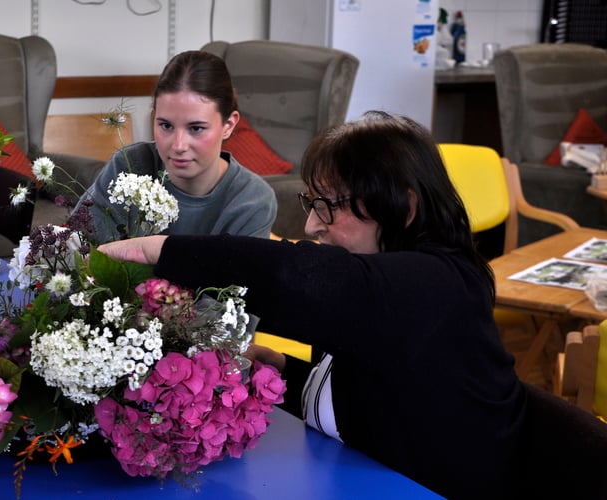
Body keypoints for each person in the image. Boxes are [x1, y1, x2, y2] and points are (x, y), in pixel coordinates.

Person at [97, 111, 527, 499]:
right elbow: (378, 395)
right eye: (311, 202)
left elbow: (295, 277)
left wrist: (160, 249)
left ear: (405, 208)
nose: (311, 225)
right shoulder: (385, 288)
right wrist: (285, 368)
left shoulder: (435, 284)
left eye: (328, 206)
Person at [76, 50, 277, 242]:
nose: (179, 145)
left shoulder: (253, 200)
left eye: (196, 128)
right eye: (166, 125)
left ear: (229, 125)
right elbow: (72, 255)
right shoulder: (129, 166)